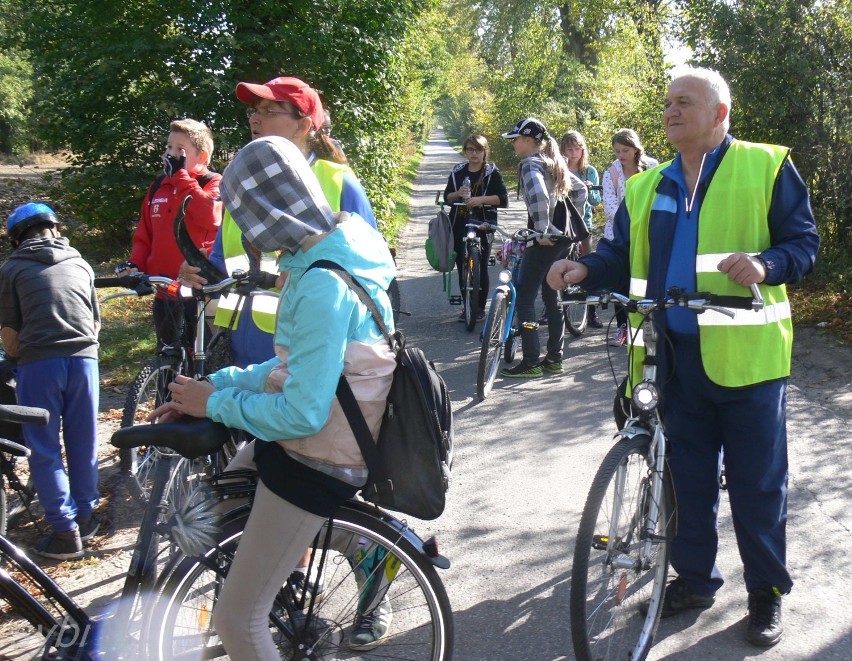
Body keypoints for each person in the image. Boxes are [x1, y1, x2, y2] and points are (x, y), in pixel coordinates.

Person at [547, 66, 819, 648]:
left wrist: (768, 264)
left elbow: (804, 244)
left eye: (685, 102)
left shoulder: (766, 166)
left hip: (748, 361)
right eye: (667, 102)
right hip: (672, 357)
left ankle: (765, 594)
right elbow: (618, 254)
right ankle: (695, 580)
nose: (670, 111)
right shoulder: (647, 186)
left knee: (757, 486)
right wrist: (586, 268)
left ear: (720, 113)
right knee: (684, 482)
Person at [149, 135, 397, 659]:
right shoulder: (339, 241)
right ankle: (304, 570)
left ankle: (316, 576)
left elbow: (303, 412)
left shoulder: (320, 285)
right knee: (225, 505)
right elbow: (293, 367)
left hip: (319, 452)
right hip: (324, 429)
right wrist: (214, 387)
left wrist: (213, 405)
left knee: (238, 619)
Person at [181, 76, 377, 368]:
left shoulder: (339, 182)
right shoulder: (242, 182)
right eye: (254, 112)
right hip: (240, 351)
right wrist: (197, 272)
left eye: (269, 112)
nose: (255, 120)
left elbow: (371, 275)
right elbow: (222, 262)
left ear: (303, 126)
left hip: (313, 355)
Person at [0, 203, 101, 560]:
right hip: (85, 360)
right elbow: (95, 321)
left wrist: (15, 362)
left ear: (17, 239)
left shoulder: (12, 269)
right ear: (54, 228)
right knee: (84, 440)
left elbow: (10, 333)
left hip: (40, 362)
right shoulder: (80, 262)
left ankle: (64, 532)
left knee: (44, 449)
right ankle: (87, 516)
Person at [120, 119, 222, 350]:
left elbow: (210, 216)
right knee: (167, 358)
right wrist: (134, 263)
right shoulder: (158, 187)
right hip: (165, 291)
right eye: (168, 147)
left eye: (180, 150)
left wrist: (182, 179)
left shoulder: (213, 183)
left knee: (202, 361)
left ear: (203, 157)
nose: (171, 155)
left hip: (200, 293)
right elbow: (145, 235)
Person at [498, 117, 586, 378]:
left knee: (525, 297)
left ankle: (532, 361)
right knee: (551, 295)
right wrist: (567, 222)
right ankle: (554, 358)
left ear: (528, 140)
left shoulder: (529, 164)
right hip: (564, 241)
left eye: (515, 139)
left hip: (545, 240)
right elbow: (580, 191)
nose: (513, 144)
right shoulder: (552, 163)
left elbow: (538, 195)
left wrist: (544, 229)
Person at [601, 128, 658, 345]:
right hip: (620, 234)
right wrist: (631, 224)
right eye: (617, 151)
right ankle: (622, 327)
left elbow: (658, 197)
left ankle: (649, 322)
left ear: (636, 149)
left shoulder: (652, 167)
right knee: (621, 281)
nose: (621, 155)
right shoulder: (611, 173)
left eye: (625, 150)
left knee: (646, 279)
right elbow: (610, 205)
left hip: (648, 233)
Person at [443, 134, 509, 322]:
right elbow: (448, 197)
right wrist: (458, 194)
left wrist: (480, 200)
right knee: (462, 266)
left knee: (480, 264)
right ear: (465, 152)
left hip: (484, 223)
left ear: (485, 152)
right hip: (458, 223)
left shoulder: (491, 173)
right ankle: (467, 306)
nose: (474, 154)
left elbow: (502, 199)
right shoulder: (458, 172)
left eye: (478, 150)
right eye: (470, 150)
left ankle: (479, 308)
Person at [561, 130, 603, 328]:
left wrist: (588, 188)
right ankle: (552, 307)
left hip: (583, 224)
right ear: (563, 150)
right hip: (563, 224)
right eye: (569, 149)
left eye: (577, 148)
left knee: (588, 263)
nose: (574, 152)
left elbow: (596, 200)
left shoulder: (590, 171)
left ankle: (592, 311)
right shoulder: (559, 169)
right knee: (557, 264)